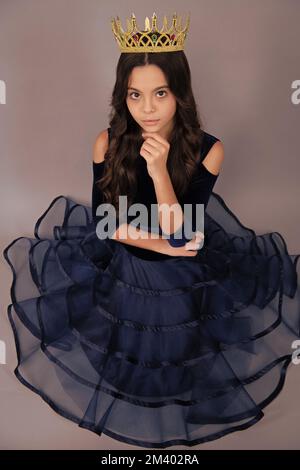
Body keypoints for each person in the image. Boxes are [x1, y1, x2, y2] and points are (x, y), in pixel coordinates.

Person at [3, 11, 300, 449]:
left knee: (179, 353)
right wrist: (164, 243)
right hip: (125, 266)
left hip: (183, 275)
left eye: (160, 93)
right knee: (129, 350)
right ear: (122, 97)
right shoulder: (106, 142)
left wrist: (160, 172)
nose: (147, 109)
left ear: (180, 93)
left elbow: (184, 234)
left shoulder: (209, 151)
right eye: (134, 95)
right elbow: (108, 226)